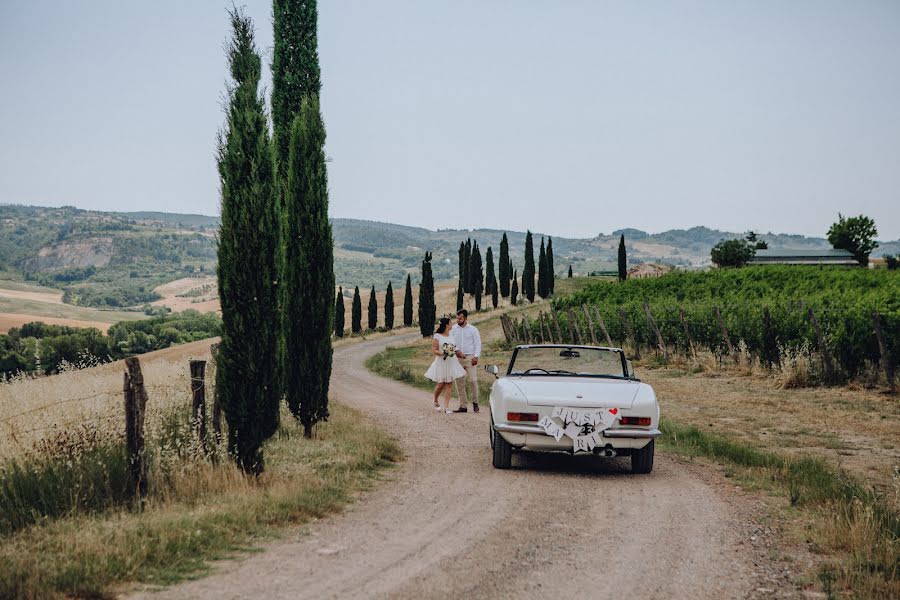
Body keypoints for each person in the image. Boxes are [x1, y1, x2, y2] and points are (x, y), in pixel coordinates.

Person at [424, 317, 466, 414]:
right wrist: (443, 352)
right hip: (441, 362)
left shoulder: (451, 335)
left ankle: (446, 407)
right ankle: (435, 399)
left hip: (451, 361)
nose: (452, 325)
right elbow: (434, 350)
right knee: (441, 384)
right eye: (450, 323)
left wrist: (459, 354)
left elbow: (454, 347)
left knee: (449, 384)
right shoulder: (437, 336)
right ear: (446, 325)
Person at [450, 309, 481, 413]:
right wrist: (456, 350)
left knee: (473, 380)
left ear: (466, 318)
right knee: (459, 383)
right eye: (457, 318)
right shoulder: (453, 329)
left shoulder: (473, 329)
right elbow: (450, 342)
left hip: (470, 357)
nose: (458, 320)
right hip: (457, 358)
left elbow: (477, 344)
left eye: (460, 318)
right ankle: (463, 406)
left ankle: (475, 402)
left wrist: (476, 356)